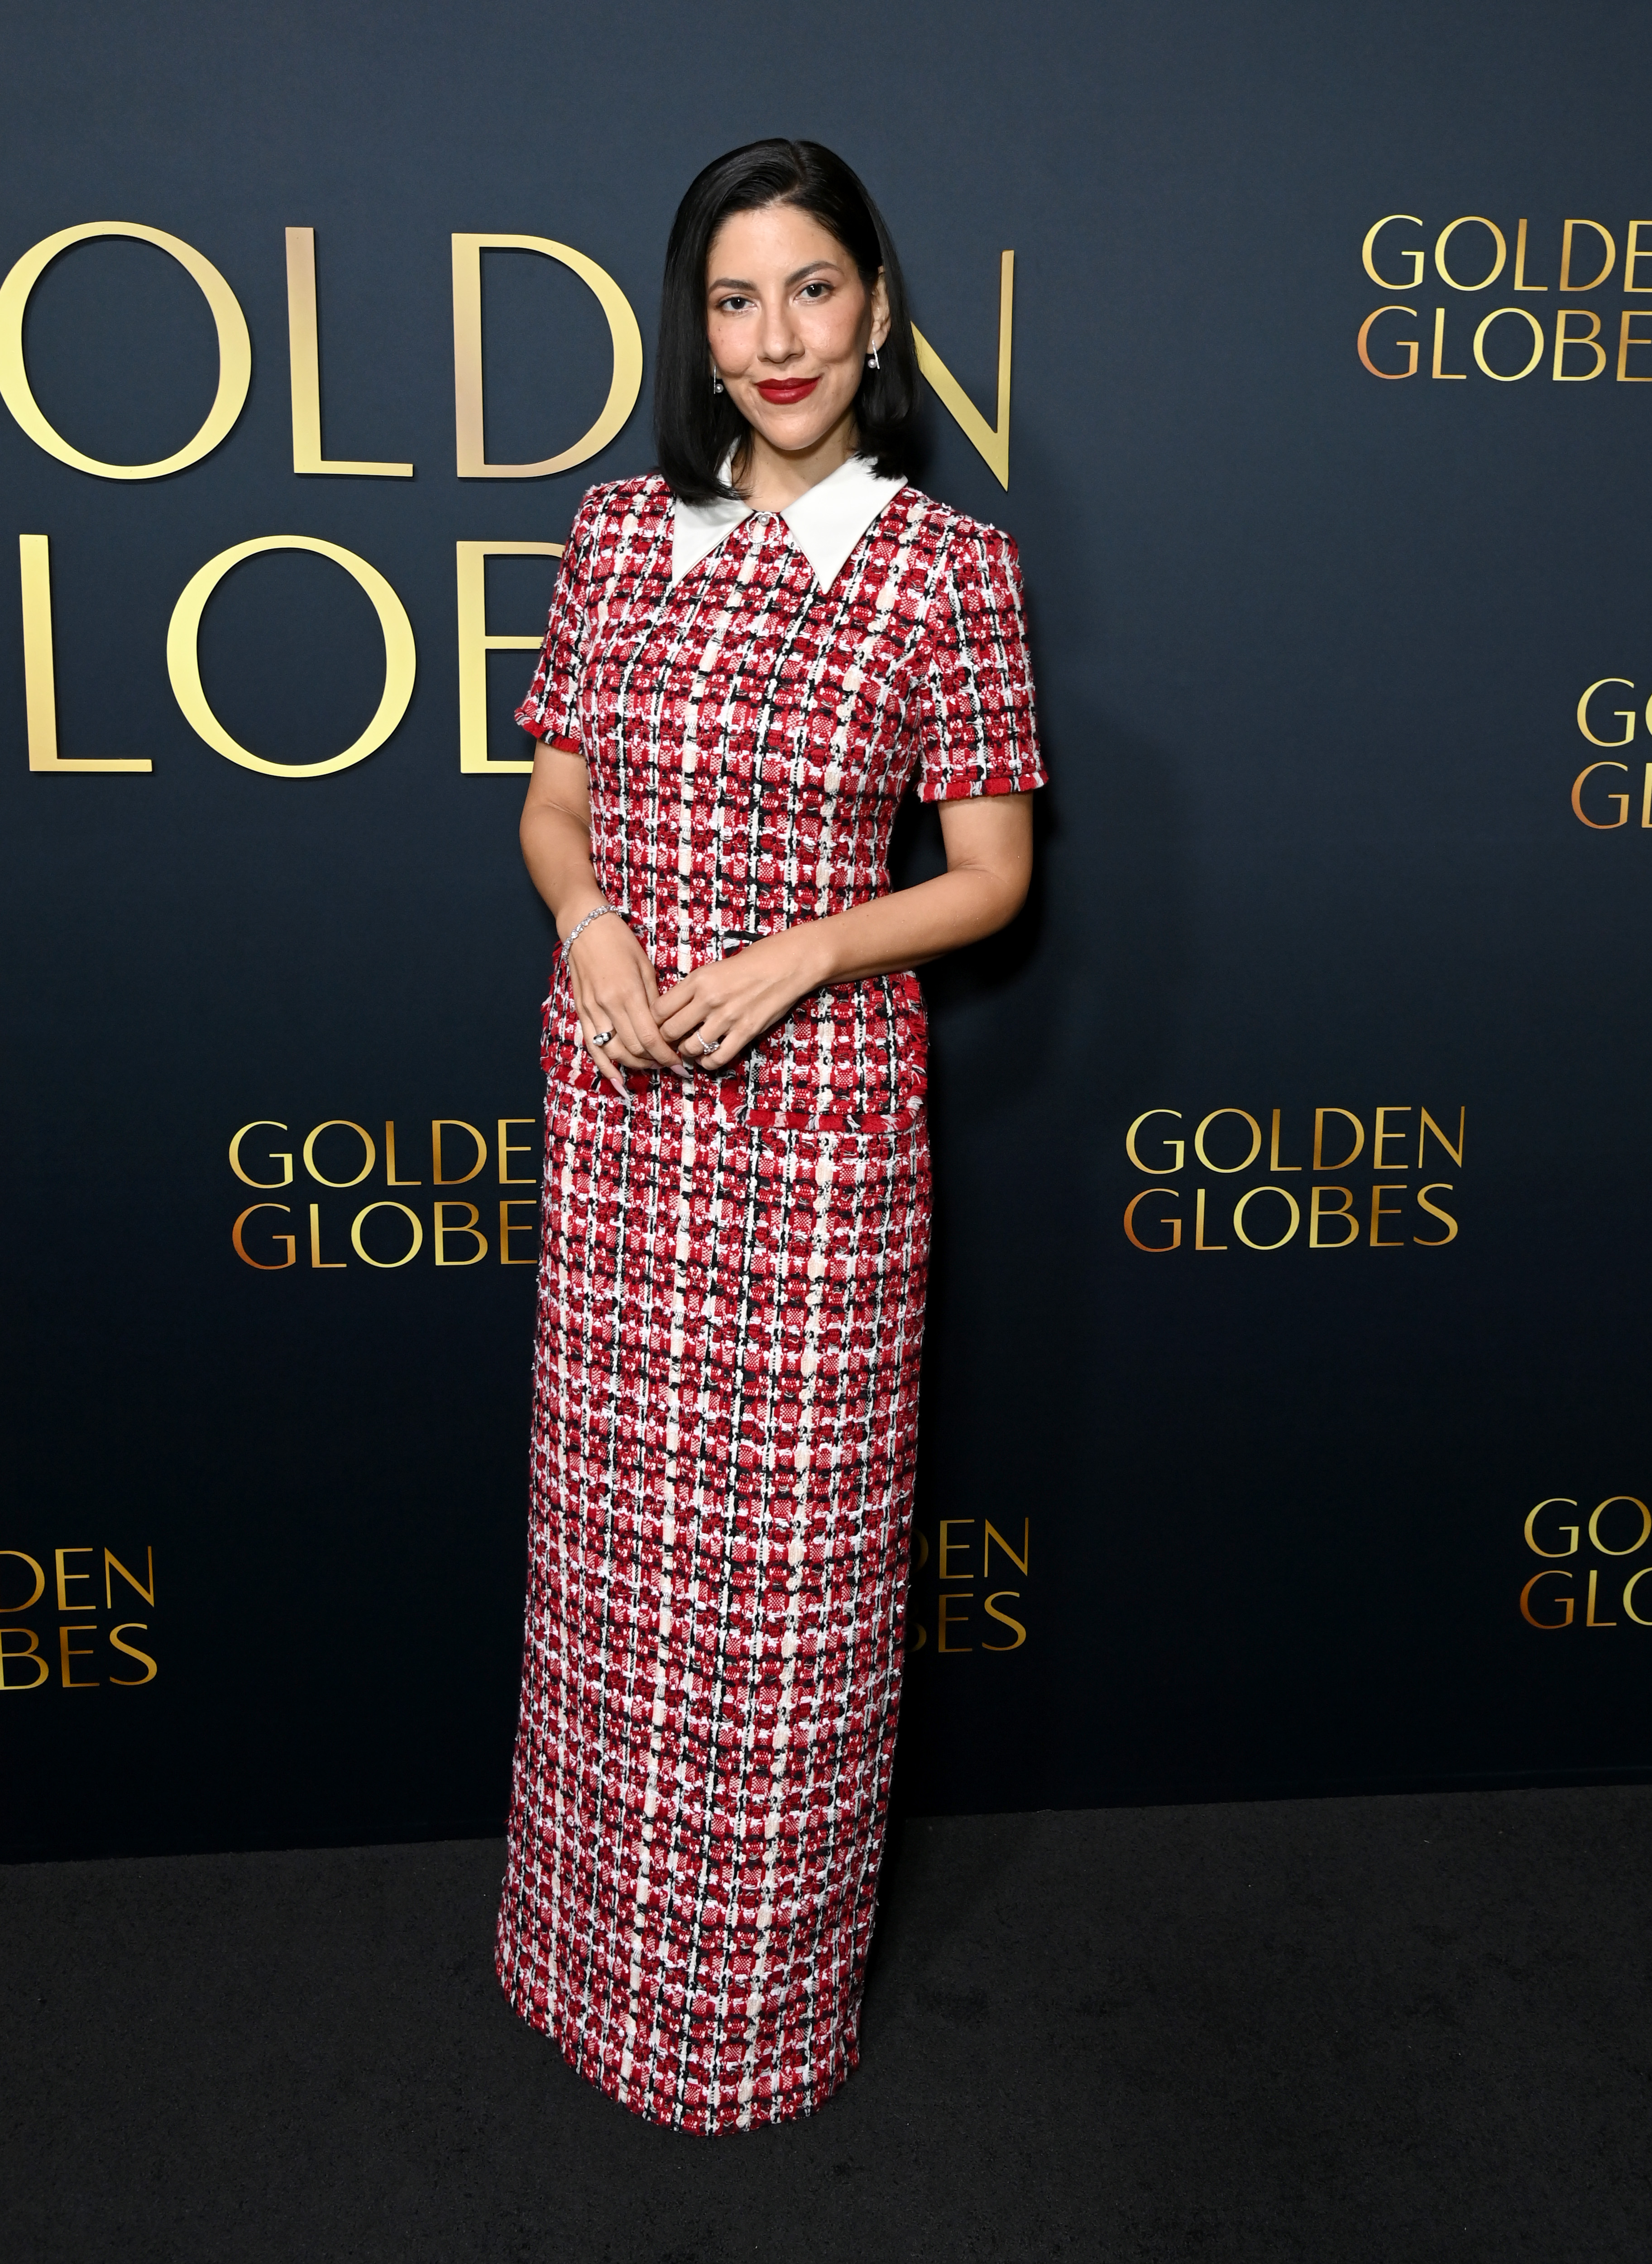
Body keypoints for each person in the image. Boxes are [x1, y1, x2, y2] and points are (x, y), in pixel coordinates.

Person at [496, 137, 1044, 2133]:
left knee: (787, 1593)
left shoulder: (948, 564)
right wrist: (594, 916)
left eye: (812, 289)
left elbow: (988, 871)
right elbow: (554, 805)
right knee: (615, 1567)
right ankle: (574, 1953)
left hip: (818, 1124)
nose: (776, 337)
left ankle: (737, 2019)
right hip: (619, 1085)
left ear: (878, 313)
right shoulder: (616, 533)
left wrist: (809, 941)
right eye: (735, 299)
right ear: (697, 330)